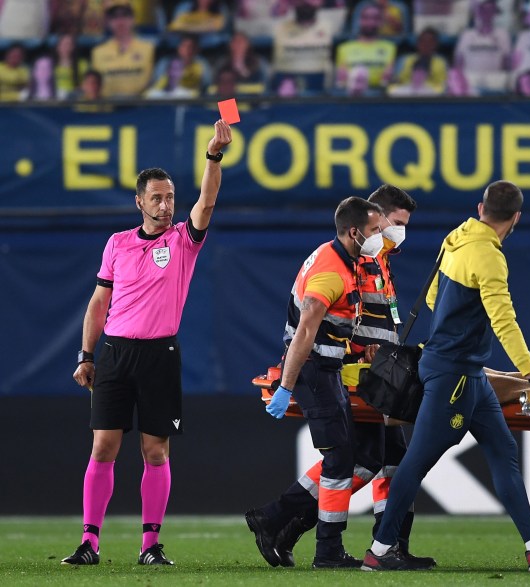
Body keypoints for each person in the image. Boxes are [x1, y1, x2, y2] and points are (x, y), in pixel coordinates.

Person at [361, 181, 530, 572]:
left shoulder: (457, 237)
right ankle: (380, 551)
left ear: (480, 206)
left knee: (503, 452)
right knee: (417, 462)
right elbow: (504, 321)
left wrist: (460, 326)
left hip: (464, 370)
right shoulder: (489, 257)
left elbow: (433, 296)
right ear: (516, 217)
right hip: (455, 374)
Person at [61, 120, 233, 566]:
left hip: (160, 355)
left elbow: (208, 201)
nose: (165, 204)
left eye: (170, 196)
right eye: (156, 197)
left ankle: (150, 545)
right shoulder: (117, 244)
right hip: (115, 354)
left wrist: (212, 157)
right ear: (140, 202)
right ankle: (89, 543)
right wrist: (86, 354)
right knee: (103, 447)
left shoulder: (183, 241)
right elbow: (99, 303)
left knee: (155, 450)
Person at [245, 186, 435, 570]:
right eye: (390, 225)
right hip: (330, 370)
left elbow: (353, 318)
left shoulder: (362, 257)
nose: (394, 233)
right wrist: (285, 386)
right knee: (347, 460)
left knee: (373, 459)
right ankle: (318, 542)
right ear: (363, 226)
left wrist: (367, 351)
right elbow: (306, 331)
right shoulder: (340, 265)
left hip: (358, 369)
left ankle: (284, 520)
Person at [91, 0, 156, 98]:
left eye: (125, 15)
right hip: (107, 108)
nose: (120, 21)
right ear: (108, 22)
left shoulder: (149, 48)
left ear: (133, 19)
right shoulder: (98, 52)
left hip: (140, 108)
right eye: (115, 17)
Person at [336, 3, 397, 91]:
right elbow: (341, 82)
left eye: (375, 18)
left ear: (381, 22)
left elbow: (386, 80)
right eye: (366, 18)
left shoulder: (390, 47)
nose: (370, 22)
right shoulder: (344, 48)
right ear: (359, 20)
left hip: (380, 96)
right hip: (352, 96)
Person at [454, 0, 512, 93]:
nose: (486, 14)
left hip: (495, 85)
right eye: (483, 10)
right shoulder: (467, 35)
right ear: (478, 12)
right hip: (470, 84)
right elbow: (459, 62)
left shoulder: (503, 35)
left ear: (494, 13)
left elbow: (506, 63)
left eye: (490, 10)